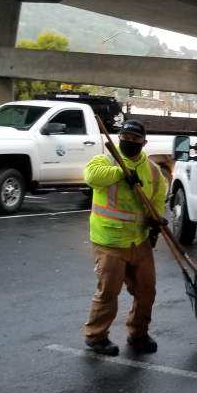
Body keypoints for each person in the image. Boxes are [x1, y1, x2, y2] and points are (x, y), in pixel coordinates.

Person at [83, 119, 168, 356]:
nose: (129, 142)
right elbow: (92, 177)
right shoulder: (105, 160)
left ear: (144, 142)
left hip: (138, 241)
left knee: (146, 290)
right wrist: (121, 172)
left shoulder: (152, 170)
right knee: (108, 291)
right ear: (119, 137)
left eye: (135, 140)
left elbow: (159, 197)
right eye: (126, 138)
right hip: (109, 240)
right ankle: (96, 336)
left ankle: (138, 333)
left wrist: (156, 220)